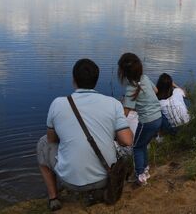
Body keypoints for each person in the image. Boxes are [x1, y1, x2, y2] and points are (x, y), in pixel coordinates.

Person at [37, 59, 133, 211]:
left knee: (42, 143)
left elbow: (51, 140)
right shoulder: (113, 103)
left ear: (73, 80)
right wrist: (109, 132)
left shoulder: (58, 103)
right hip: (105, 177)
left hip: (69, 181)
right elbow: (127, 140)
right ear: (96, 80)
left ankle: (53, 198)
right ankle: (94, 190)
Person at [118, 53, 162, 186]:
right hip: (158, 118)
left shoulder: (131, 88)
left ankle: (140, 176)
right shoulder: (145, 78)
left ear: (123, 72)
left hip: (147, 122)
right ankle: (145, 170)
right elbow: (156, 91)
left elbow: (124, 114)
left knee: (136, 147)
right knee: (142, 145)